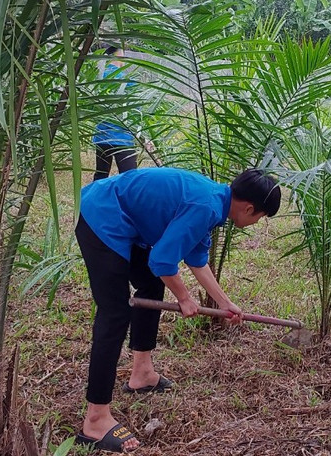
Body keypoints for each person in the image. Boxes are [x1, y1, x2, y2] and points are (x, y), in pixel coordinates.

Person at [74, 167, 281, 452]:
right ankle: (95, 420)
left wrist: (225, 302)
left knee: (150, 286)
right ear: (248, 208)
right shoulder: (204, 206)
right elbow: (162, 261)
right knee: (115, 313)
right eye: (260, 217)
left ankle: (142, 374)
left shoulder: (215, 202)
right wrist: (184, 297)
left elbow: (196, 259)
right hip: (102, 215)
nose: (257, 222)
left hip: (125, 218)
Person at [93, 46, 138, 181]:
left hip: (102, 136)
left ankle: (94, 200)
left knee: (101, 175)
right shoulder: (126, 81)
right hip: (122, 137)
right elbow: (135, 110)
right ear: (119, 55)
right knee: (130, 179)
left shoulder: (99, 77)